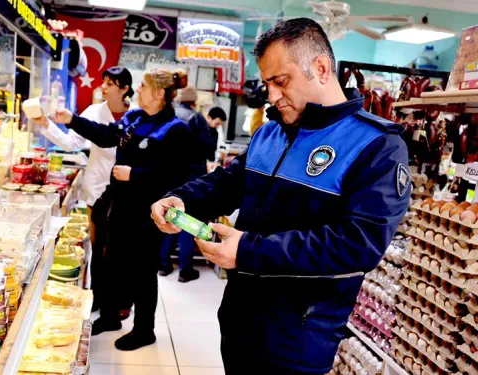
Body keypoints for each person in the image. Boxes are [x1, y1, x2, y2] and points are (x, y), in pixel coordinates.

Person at [151, 18, 410, 374]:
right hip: (240, 317)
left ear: (320, 68)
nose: (271, 96)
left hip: (297, 336)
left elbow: (357, 244)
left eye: (281, 81)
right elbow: (229, 183)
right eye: (267, 83)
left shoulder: (376, 145)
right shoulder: (270, 133)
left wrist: (248, 250)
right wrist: (183, 200)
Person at [53, 68, 193, 351]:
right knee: (108, 263)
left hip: (147, 214)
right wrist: (72, 121)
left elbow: (175, 178)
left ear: (160, 94)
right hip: (117, 205)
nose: (137, 90)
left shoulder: (176, 130)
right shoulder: (134, 118)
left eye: (143, 86)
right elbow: (106, 136)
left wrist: (135, 175)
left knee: (142, 272)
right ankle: (109, 315)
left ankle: (144, 330)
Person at [38, 66, 133, 314]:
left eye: (110, 83)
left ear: (124, 89)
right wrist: (46, 124)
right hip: (98, 189)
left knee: (122, 248)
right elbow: (72, 143)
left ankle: (122, 302)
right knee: (99, 245)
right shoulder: (94, 111)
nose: (103, 87)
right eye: (103, 81)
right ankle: (98, 299)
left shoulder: (136, 115)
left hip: (127, 192)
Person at [158, 86, 214, 282]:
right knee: (187, 222)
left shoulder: (170, 116)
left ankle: (163, 265)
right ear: (194, 100)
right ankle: (185, 270)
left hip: (169, 175)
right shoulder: (197, 118)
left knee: (168, 217)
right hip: (192, 176)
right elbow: (208, 147)